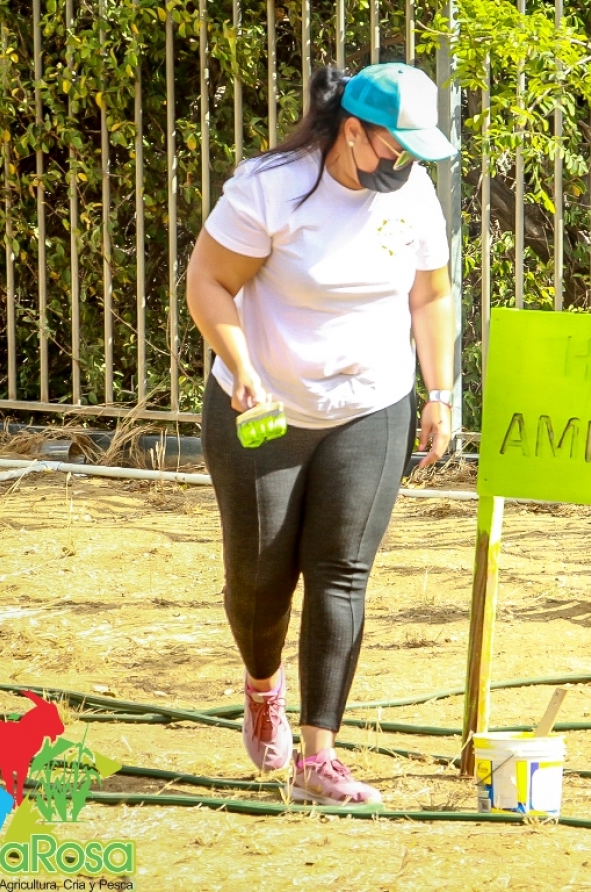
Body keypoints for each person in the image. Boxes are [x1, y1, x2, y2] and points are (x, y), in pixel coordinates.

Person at [186, 62, 456, 806]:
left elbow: (431, 296)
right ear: (352, 130)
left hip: (372, 405)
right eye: (393, 148)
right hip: (263, 407)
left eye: (415, 151)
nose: (403, 163)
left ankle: (319, 758)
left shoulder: (414, 197)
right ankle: (262, 684)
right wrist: (240, 366)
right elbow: (207, 280)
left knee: (342, 571)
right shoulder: (271, 188)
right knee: (261, 577)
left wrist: (440, 392)